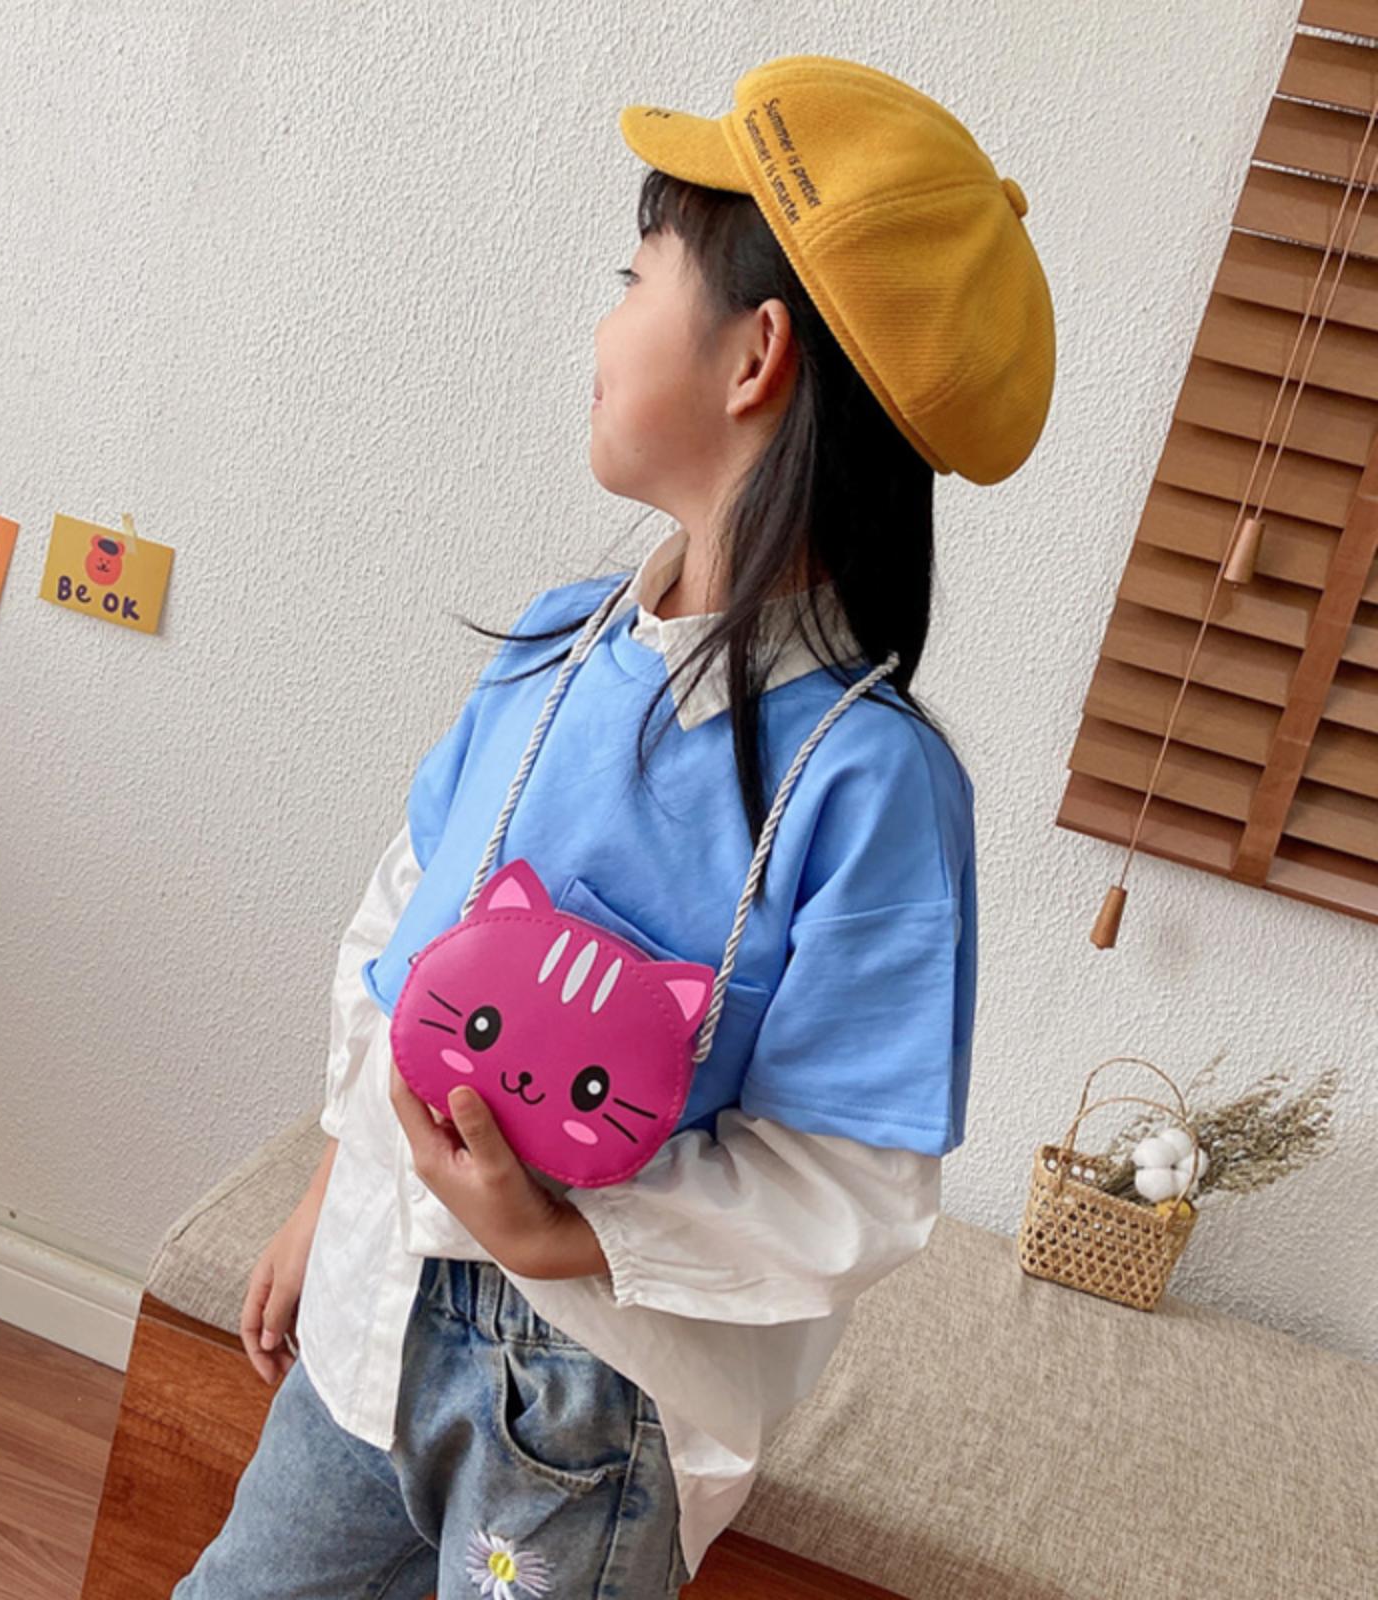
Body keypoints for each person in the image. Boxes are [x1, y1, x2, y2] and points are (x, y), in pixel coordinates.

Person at [172, 51, 1053, 1600]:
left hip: (588, 1407)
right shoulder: (552, 648)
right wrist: (328, 1193)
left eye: (633, 278)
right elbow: (401, 932)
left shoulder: (871, 789)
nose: (602, 323)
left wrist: (566, 1241)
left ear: (755, 357)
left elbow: (854, 1182)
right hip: (371, 1312)